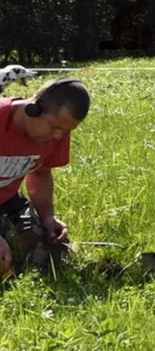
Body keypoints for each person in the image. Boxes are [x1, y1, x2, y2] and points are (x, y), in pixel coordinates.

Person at [0, 78, 90, 275]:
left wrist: (48, 217)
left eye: (66, 131)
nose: (59, 136)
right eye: (55, 127)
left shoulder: (56, 133)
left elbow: (40, 174)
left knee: (53, 251)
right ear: (33, 109)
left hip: (7, 201)